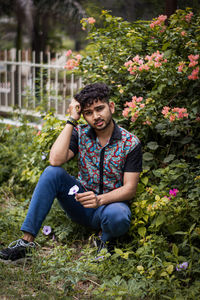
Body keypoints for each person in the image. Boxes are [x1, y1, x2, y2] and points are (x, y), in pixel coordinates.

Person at [0, 83, 142, 262]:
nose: (96, 116)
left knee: (119, 216)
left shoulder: (130, 143)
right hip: (80, 204)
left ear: (111, 107)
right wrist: (71, 120)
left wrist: (100, 200)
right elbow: (55, 160)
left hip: (110, 207)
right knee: (53, 172)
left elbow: (130, 189)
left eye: (100, 109)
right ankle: (26, 243)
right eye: (88, 113)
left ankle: (103, 241)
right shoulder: (80, 133)